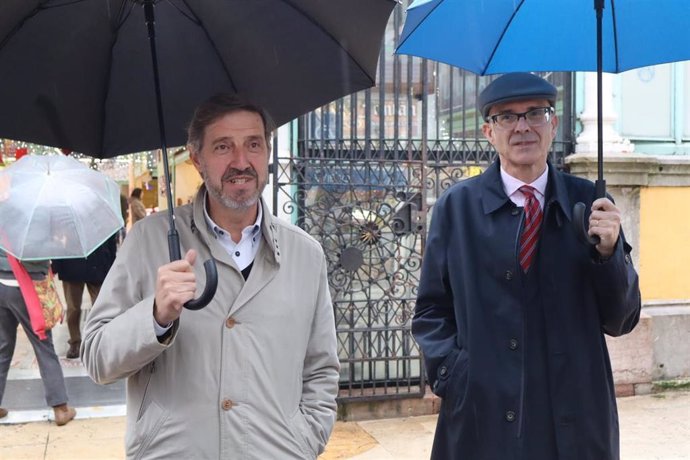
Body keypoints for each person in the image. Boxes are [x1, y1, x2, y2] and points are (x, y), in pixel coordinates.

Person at [82, 94, 340, 459]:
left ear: (267, 151)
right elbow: (96, 358)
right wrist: (154, 317)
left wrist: (303, 441)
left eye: (253, 144)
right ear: (196, 158)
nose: (241, 161)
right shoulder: (148, 242)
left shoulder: (305, 255)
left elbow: (321, 370)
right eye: (223, 147)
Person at [412, 73, 641, 460]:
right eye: (507, 117)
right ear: (488, 132)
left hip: (574, 418)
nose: (522, 127)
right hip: (484, 414)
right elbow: (431, 310)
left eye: (535, 113)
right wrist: (455, 374)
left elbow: (622, 320)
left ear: (552, 125)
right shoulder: (458, 208)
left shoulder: (591, 203)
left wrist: (609, 254)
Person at [0, 249, 77, 425]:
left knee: (3, 346)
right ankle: (61, 408)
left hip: (1, 282)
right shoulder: (37, 221)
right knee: (44, 347)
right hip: (26, 285)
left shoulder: (5, 220)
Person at [51, 234, 117, 359]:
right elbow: (58, 239)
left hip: (97, 263)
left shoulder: (99, 215)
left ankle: (101, 339)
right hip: (71, 264)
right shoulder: (66, 215)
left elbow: (109, 236)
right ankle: (75, 342)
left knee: (100, 306)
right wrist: (56, 265)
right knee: (73, 308)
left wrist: (112, 263)